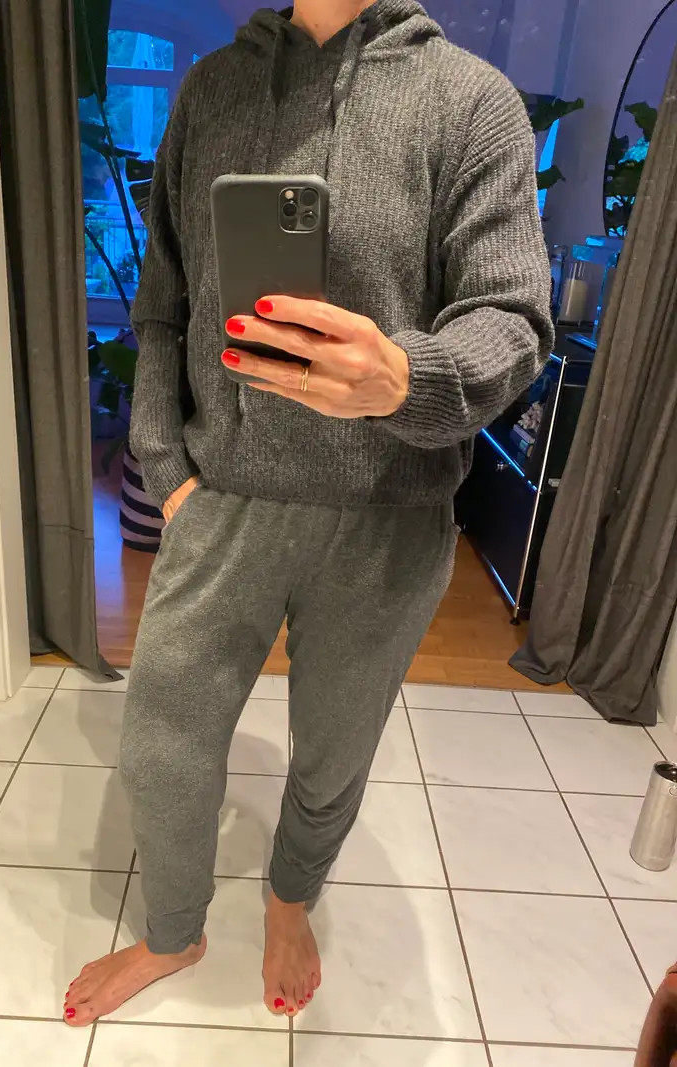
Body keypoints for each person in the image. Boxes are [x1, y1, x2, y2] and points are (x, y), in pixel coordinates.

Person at [64, 0, 554, 1026]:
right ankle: (175, 929)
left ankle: (290, 898)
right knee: (160, 743)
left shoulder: (470, 103)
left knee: (333, 748)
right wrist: (166, 465)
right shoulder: (212, 91)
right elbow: (163, 304)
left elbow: (511, 319)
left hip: (385, 514)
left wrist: (403, 377)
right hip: (224, 500)